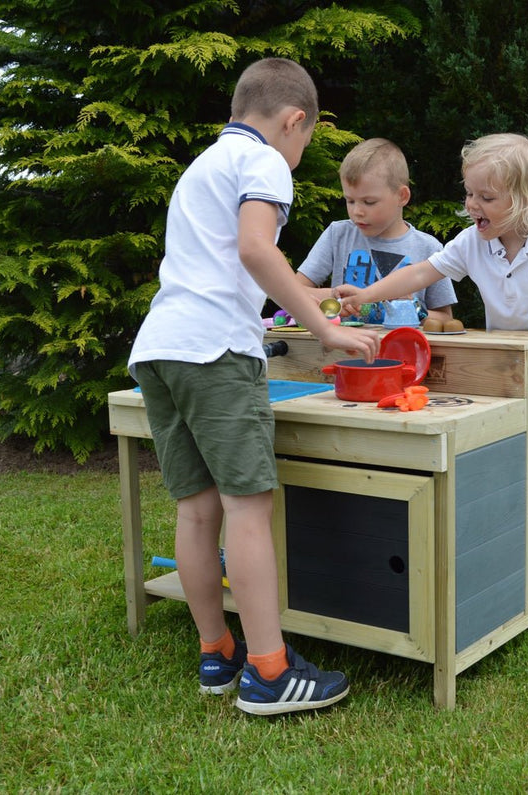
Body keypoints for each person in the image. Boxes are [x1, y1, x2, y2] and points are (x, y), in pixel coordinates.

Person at [128, 58, 380, 715]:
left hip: (162, 347)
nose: (296, 159)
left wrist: (309, 292)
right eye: (304, 143)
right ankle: (269, 670)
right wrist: (323, 326)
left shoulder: (203, 166)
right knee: (246, 507)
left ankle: (219, 651)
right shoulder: (265, 160)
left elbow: (232, 260)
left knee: (196, 508)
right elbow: (253, 250)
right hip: (215, 352)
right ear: (295, 120)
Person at [338, 133, 528, 586]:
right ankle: (491, 541)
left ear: (523, 200)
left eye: (486, 197)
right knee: (495, 456)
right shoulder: (472, 242)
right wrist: (364, 296)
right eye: (469, 193)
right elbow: (422, 272)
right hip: (499, 371)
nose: (472, 205)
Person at [295, 137, 457, 325]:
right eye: (350, 201)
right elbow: (293, 291)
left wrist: (414, 308)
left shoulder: (428, 247)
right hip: (343, 349)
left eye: (369, 202)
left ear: (402, 196)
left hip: (403, 350)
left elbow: (446, 319)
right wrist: (334, 298)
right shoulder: (337, 235)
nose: (357, 211)